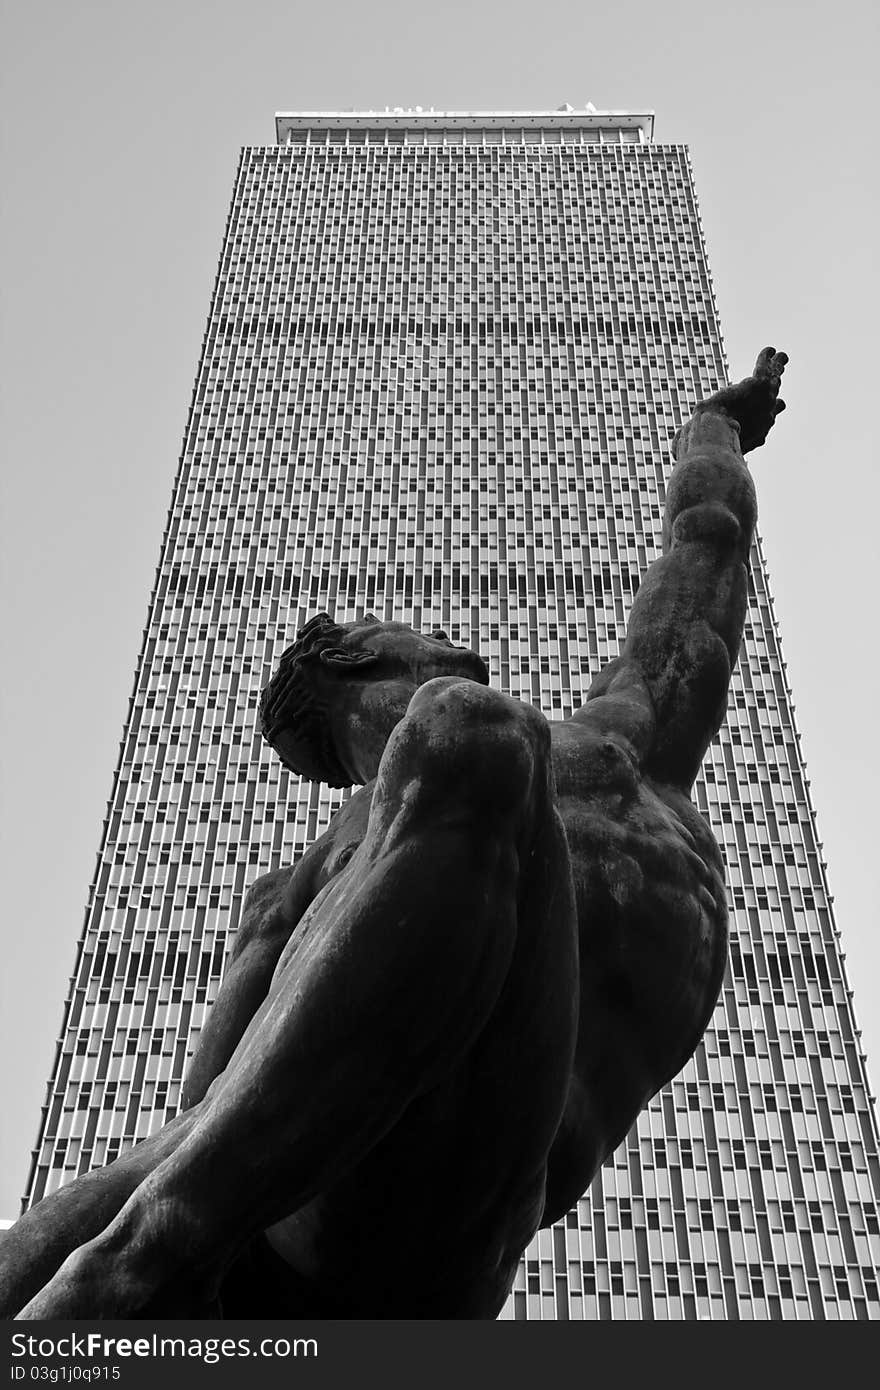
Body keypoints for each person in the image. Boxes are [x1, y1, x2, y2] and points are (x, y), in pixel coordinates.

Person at [1, 348, 787, 1319]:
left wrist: (713, 430)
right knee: (477, 729)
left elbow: (702, 548)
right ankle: (133, 1271)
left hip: (454, 1241)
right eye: (393, 624)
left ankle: (131, 1266)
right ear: (361, 652)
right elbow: (201, 1113)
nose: (422, 632)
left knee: (484, 736)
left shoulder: (616, 748)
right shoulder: (332, 857)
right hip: (277, 1217)